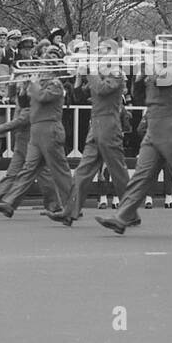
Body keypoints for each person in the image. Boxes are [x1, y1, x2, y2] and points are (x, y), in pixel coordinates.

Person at [96, 48, 172, 237]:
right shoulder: (154, 71)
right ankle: (122, 217)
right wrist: (140, 73)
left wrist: (149, 64)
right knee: (141, 174)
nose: (154, 56)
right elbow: (140, 92)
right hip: (153, 128)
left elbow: (162, 80)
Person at [0, 61, 76, 219]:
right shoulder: (38, 85)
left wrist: (34, 83)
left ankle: (73, 206)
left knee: (60, 172)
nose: (39, 71)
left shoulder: (56, 85)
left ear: (52, 71)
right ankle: (9, 203)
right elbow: (23, 103)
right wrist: (21, 83)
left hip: (50, 130)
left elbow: (43, 98)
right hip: (36, 133)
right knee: (28, 169)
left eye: (43, 68)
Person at [57, 51, 130, 224]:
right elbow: (80, 96)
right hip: (95, 125)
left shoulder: (117, 74)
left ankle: (130, 212)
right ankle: (70, 211)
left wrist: (90, 71)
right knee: (83, 171)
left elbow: (102, 89)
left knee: (118, 172)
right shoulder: (99, 73)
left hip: (109, 125)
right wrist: (78, 78)